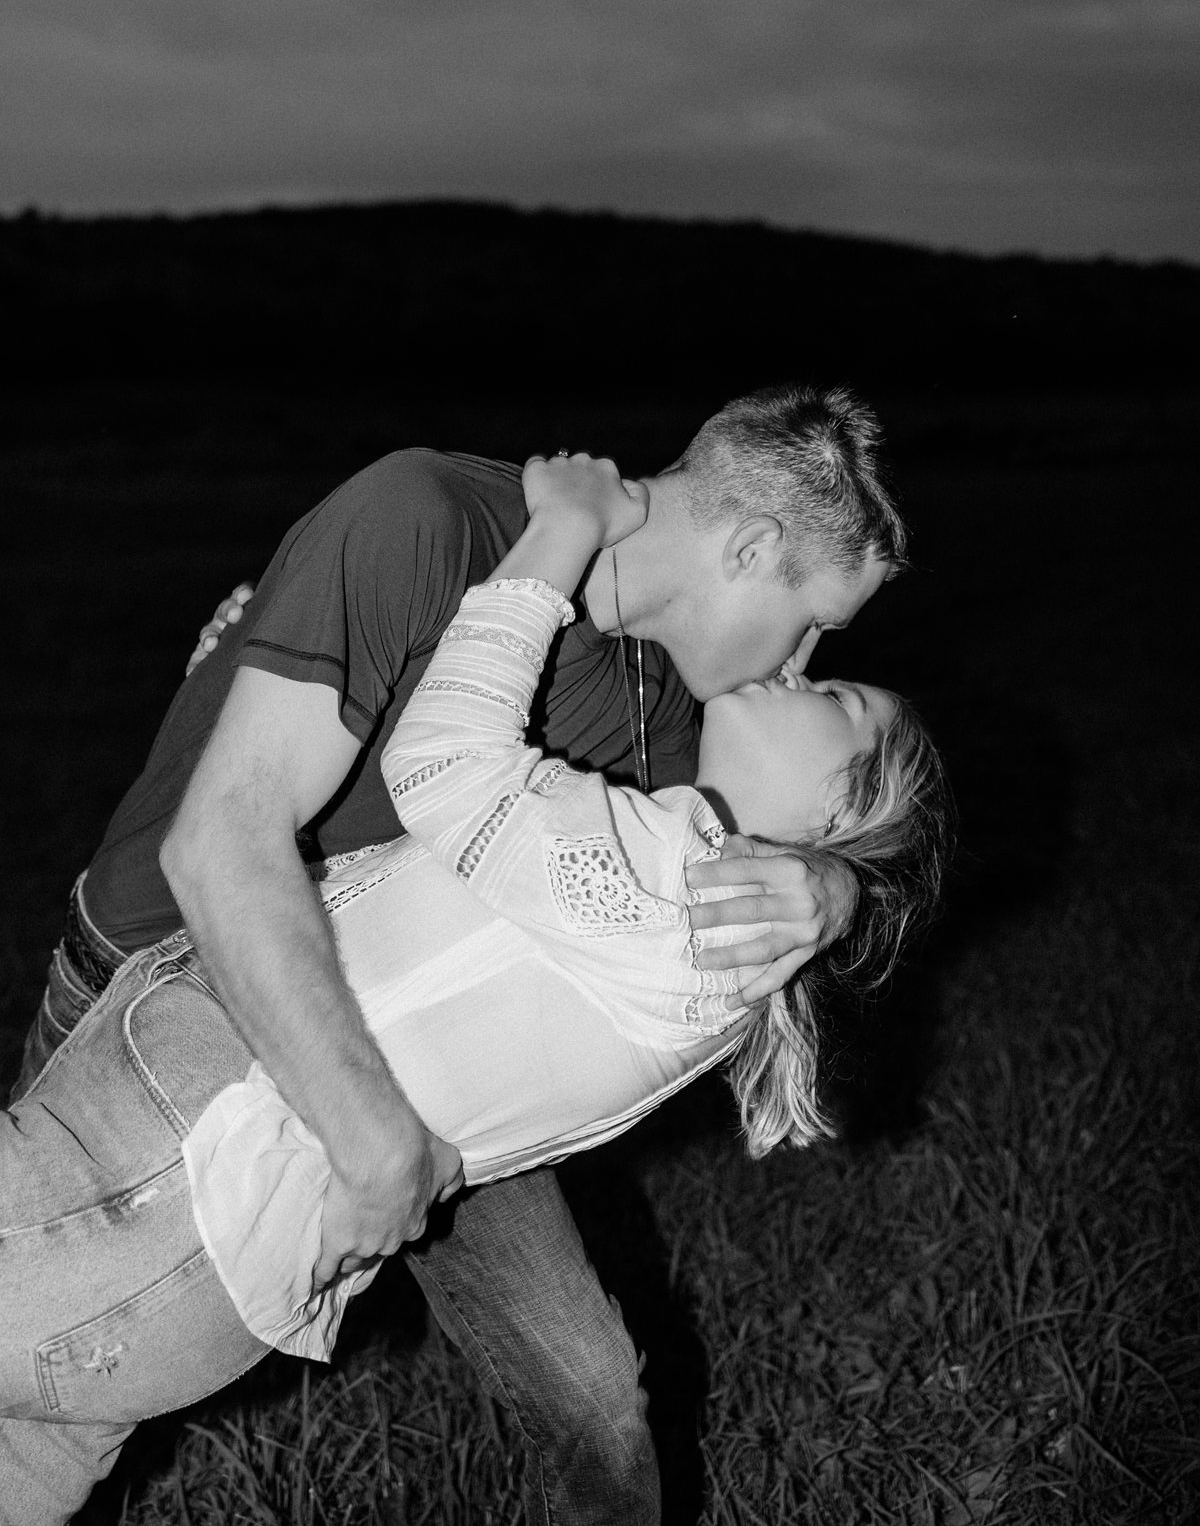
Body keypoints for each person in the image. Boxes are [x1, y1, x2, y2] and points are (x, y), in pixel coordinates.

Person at [9, 383, 908, 1525]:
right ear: (751, 543)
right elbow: (222, 844)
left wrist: (838, 887)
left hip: (430, 1076)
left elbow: (850, 810)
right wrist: (373, 1145)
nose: (806, 656)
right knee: (58, 1378)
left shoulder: (681, 720)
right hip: (183, 1005)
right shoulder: (429, 517)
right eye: (816, 621)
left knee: (594, 1395)